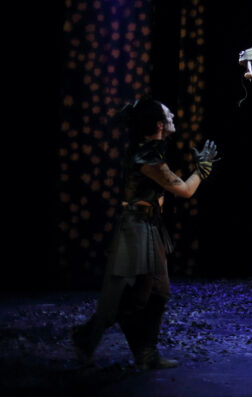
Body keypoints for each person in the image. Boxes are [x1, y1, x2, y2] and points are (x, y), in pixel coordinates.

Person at [71, 97, 219, 369]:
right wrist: (202, 170)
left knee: (156, 293)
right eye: (168, 114)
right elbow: (185, 190)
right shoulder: (147, 158)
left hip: (148, 226)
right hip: (136, 229)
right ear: (159, 125)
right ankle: (90, 337)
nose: (172, 116)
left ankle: (144, 352)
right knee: (129, 297)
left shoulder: (151, 152)